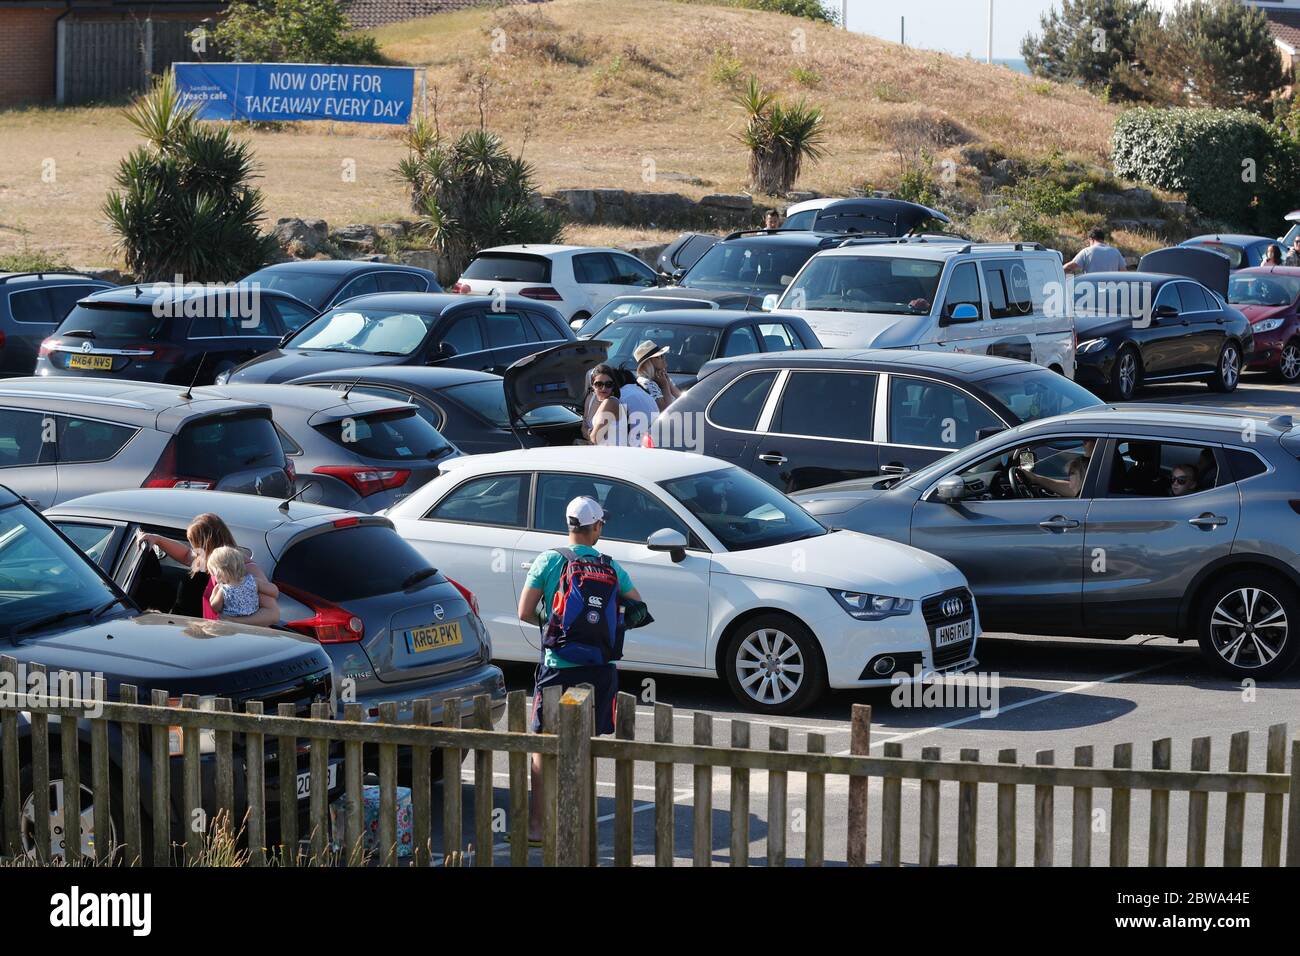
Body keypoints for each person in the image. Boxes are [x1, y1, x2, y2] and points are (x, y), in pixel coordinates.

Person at [517, 496, 642, 842]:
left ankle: (538, 827)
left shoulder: (549, 560)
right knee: (587, 744)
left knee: (543, 745)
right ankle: (580, 822)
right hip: (601, 668)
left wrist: (557, 623)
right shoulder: (612, 566)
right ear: (597, 527)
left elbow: (524, 612)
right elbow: (637, 607)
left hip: (559, 667)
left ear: (569, 525)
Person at [136, 513, 279, 626]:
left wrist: (233, 622)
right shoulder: (209, 561)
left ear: (208, 545)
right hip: (209, 636)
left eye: (195, 544)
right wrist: (157, 539)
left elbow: (272, 614)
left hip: (233, 640)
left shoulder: (247, 569)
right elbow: (186, 554)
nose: (194, 550)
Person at [586, 363, 657, 445]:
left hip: (618, 452)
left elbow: (595, 438)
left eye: (608, 384)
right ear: (592, 385)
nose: (603, 388)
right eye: (599, 384)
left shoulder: (611, 402)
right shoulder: (638, 392)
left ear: (614, 385)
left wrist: (589, 432)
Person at [206, 545, 261, 619]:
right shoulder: (253, 581)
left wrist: (213, 595)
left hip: (231, 625)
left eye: (213, 574)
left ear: (219, 574)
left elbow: (215, 608)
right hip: (252, 621)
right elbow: (273, 591)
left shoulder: (224, 590)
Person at [634, 339, 682, 412]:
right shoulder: (646, 383)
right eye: (659, 356)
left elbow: (682, 400)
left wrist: (668, 382)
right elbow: (666, 411)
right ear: (648, 362)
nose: (664, 358)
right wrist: (664, 386)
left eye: (663, 355)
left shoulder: (661, 377)